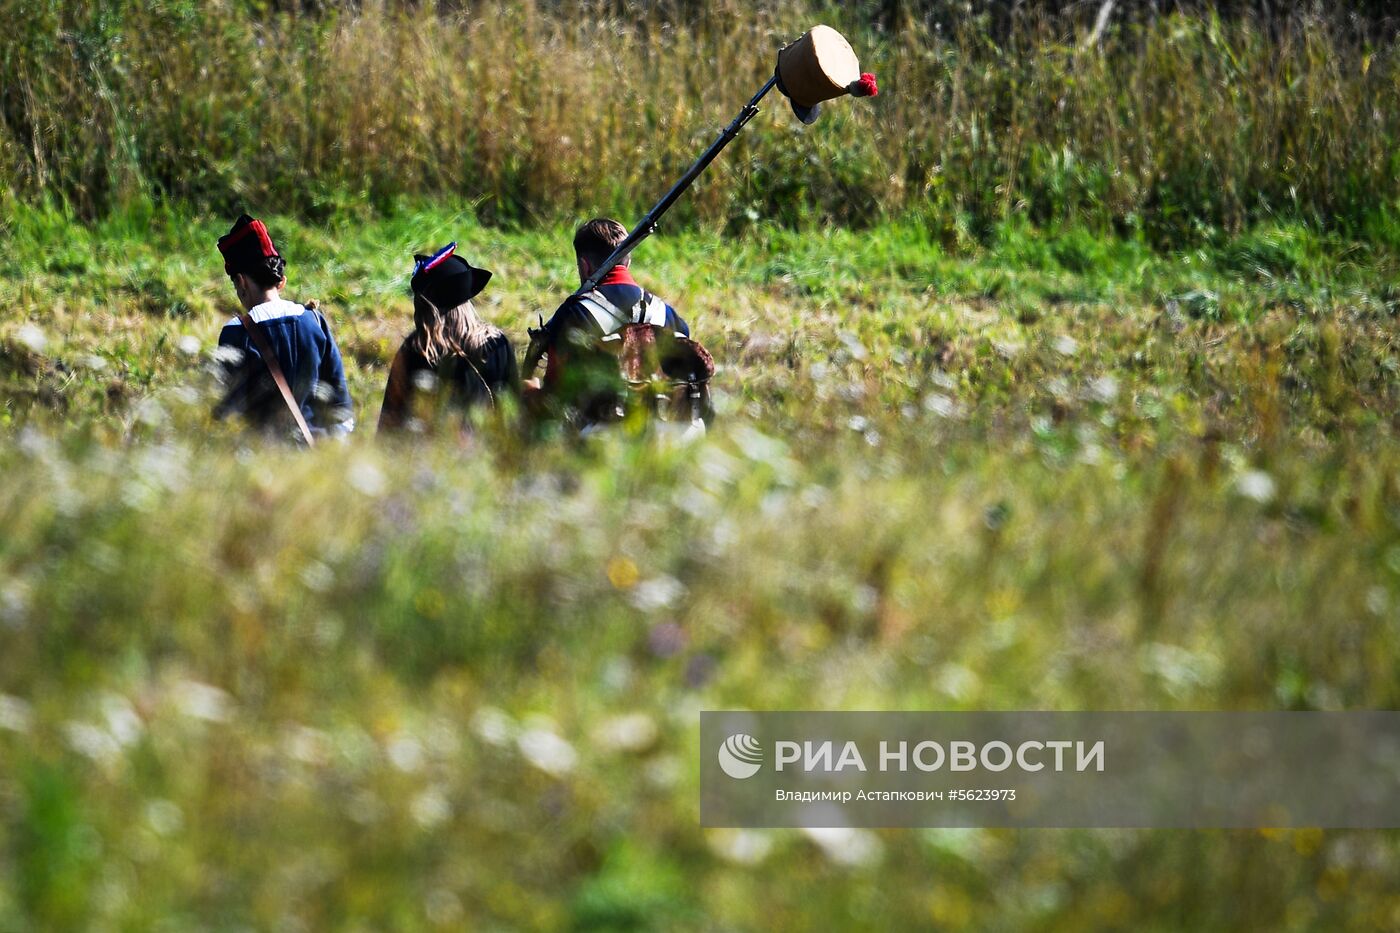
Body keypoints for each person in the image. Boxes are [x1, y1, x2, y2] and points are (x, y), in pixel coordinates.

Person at [522, 218, 712, 429]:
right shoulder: (668, 315)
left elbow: (555, 399)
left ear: (584, 266)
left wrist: (529, 390)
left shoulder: (573, 314)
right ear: (628, 263)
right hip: (673, 440)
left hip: (603, 444)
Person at [213, 214, 355, 441]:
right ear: (281, 282)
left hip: (263, 464)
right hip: (316, 460)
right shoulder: (315, 321)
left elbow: (226, 415)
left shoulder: (235, 333)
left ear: (241, 282)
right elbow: (341, 409)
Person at [378, 243, 519, 433]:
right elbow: (512, 418)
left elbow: (389, 425)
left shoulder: (416, 350)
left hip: (425, 459)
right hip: (484, 458)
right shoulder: (497, 345)